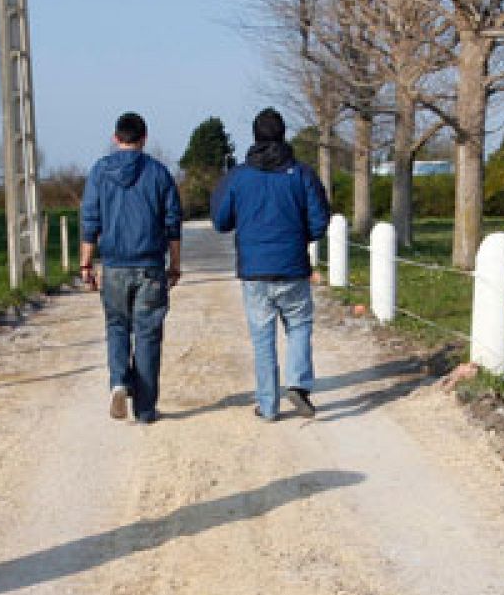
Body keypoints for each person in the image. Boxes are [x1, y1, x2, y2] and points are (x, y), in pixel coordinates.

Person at [210, 107, 331, 421]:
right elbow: (319, 220)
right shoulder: (302, 173)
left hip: (254, 271)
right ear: (282, 134)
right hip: (292, 266)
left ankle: (267, 405)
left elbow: (221, 221)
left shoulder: (238, 176)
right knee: (300, 326)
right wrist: (301, 238)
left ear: (254, 136)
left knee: (263, 338)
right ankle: (298, 384)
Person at [79, 111, 183, 424]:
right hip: (150, 266)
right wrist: (175, 264)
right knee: (148, 335)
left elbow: (90, 220)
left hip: (113, 266)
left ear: (116, 138)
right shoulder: (159, 173)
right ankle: (146, 409)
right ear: (144, 138)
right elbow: (172, 224)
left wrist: (86, 262)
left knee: (116, 327)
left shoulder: (99, 172)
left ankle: (119, 382)